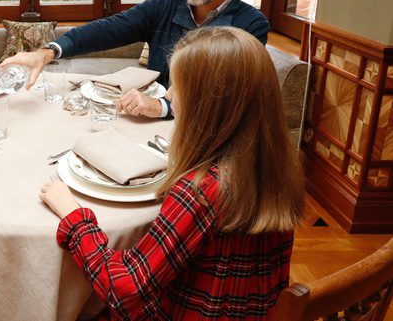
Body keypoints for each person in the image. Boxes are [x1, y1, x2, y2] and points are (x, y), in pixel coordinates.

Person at [39, 26, 305, 321]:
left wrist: (75, 219)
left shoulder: (201, 192)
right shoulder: (279, 165)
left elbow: (124, 287)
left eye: (177, 86)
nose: (167, 94)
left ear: (205, 106)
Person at [2, 0, 269, 119]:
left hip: (203, 140)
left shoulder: (251, 26)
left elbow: (219, 93)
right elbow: (109, 29)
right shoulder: (165, 6)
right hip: (147, 124)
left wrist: (161, 106)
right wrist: (48, 52)